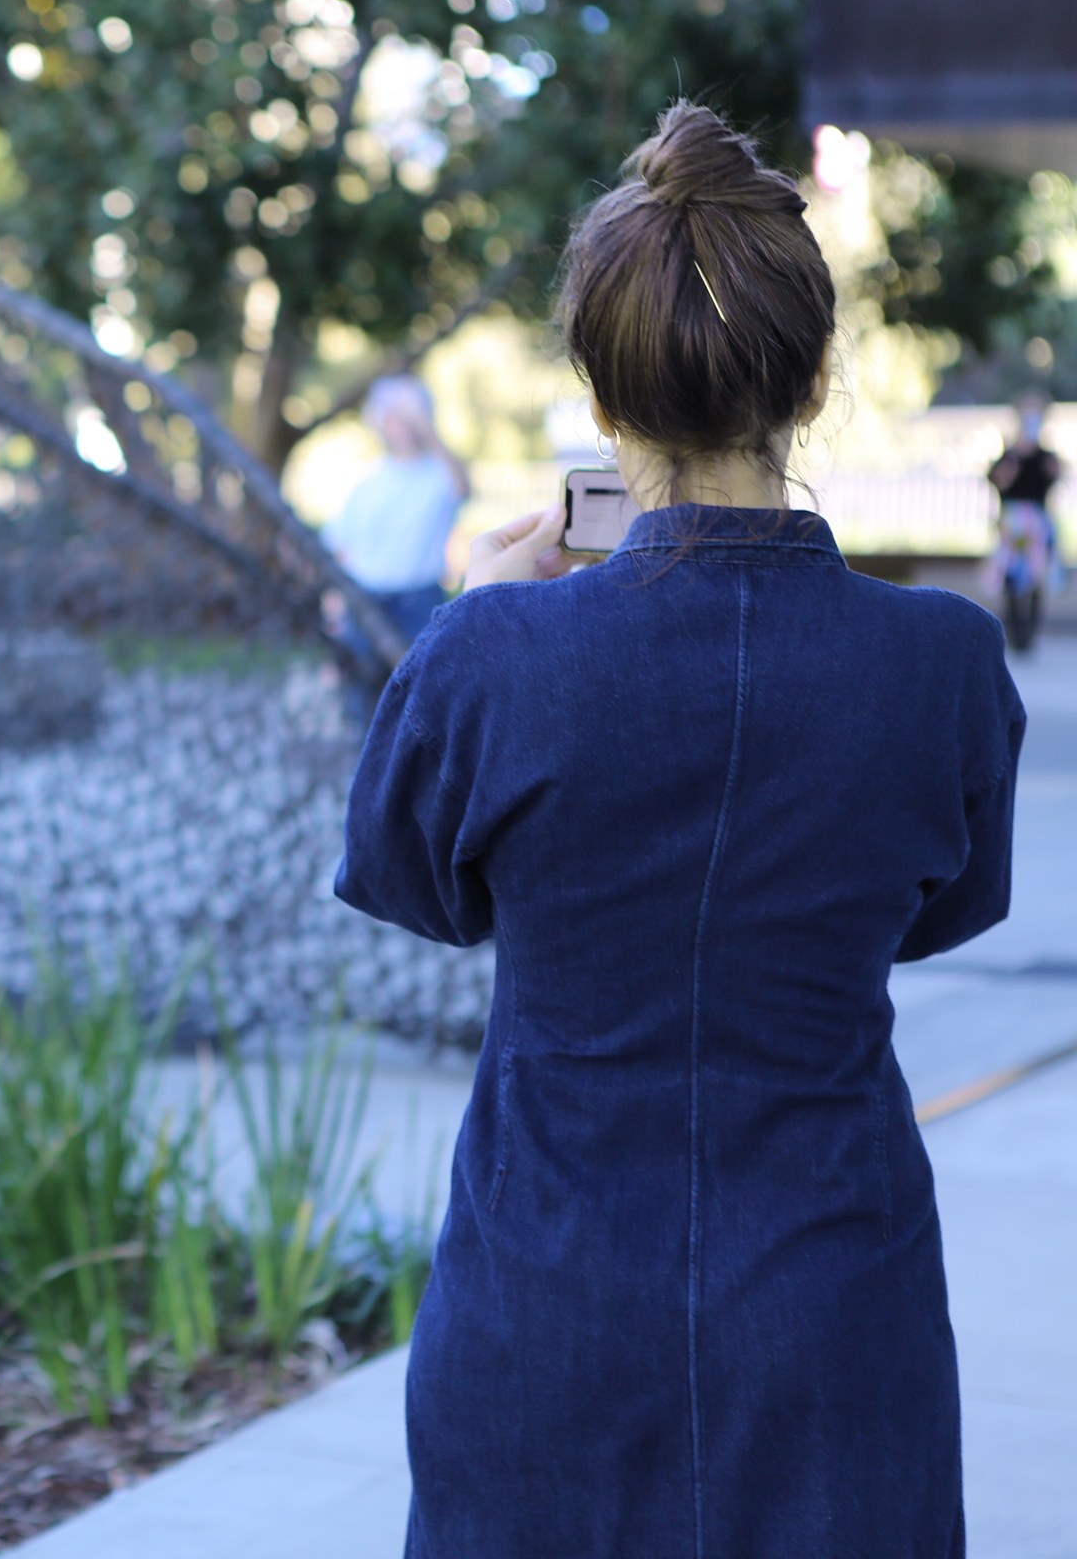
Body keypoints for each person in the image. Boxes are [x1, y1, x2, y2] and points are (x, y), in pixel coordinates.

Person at [336, 103, 1022, 1557]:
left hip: (547, 1289)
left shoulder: (491, 658)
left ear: (600, 392)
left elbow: (406, 881)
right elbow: (941, 910)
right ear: (816, 373)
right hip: (836, 1291)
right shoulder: (943, 663)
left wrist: (474, 625)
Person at [322, 374, 470, 647]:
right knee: (363, 686)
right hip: (365, 599)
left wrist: (424, 423)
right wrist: (335, 607)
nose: (400, 424)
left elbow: (464, 487)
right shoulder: (366, 478)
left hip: (420, 602)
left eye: (408, 416)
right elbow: (341, 546)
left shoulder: (441, 474)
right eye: (392, 415)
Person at [987, 388, 1061, 653]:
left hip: (1036, 521)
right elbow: (997, 482)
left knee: (1036, 576)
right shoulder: (1010, 455)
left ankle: (1030, 630)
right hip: (1013, 521)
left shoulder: (1046, 457)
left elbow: (1053, 479)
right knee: (1011, 574)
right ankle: (1014, 628)